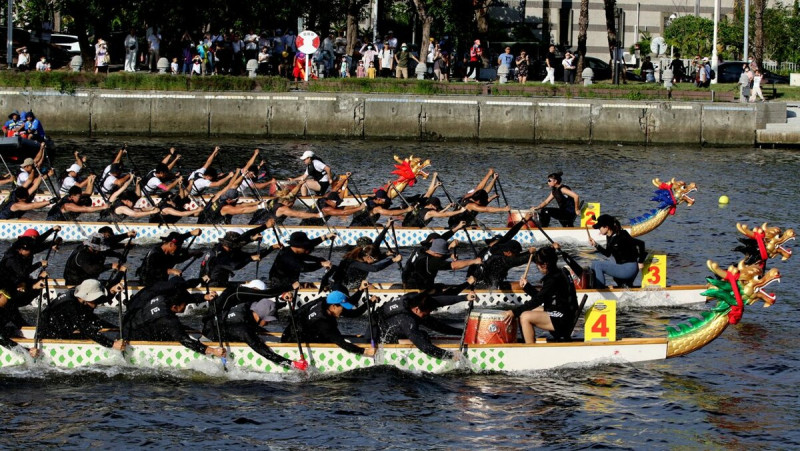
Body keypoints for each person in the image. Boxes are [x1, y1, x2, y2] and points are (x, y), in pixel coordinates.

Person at [124, 278, 225, 358]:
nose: (186, 307)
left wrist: (205, 297)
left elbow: (184, 298)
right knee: (180, 335)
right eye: (184, 305)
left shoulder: (163, 298)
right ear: (174, 307)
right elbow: (185, 341)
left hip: (136, 324)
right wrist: (213, 351)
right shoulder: (168, 319)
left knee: (188, 330)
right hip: (135, 338)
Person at [502, 246, 578, 343]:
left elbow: (538, 300)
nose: (538, 267)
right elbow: (543, 297)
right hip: (563, 312)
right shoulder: (560, 272)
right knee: (525, 311)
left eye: (537, 265)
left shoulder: (553, 279)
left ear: (544, 265)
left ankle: (530, 350)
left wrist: (514, 312)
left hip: (563, 318)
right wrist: (527, 287)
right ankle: (527, 341)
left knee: (525, 316)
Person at [281, 284, 376, 357]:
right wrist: (365, 351)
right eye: (343, 307)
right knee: (336, 339)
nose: (344, 310)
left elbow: (353, 312)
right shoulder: (324, 323)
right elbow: (341, 343)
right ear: (334, 307)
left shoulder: (325, 301)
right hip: (293, 341)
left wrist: (361, 290)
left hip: (294, 331)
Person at [379, 289, 472, 360]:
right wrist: (450, 356)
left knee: (434, 325)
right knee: (423, 336)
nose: (429, 313)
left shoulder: (413, 299)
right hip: (383, 337)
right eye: (427, 312)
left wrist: (465, 298)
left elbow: (439, 301)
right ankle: (401, 342)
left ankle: (463, 332)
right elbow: (425, 347)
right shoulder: (408, 321)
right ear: (416, 309)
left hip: (397, 323)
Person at [38, 279, 126, 351]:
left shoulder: (77, 294)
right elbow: (87, 329)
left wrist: (112, 291)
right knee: (89, 334)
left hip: (65, 327)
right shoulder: (70, 306)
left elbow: (92, 319)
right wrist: (112, 344)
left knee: (95, 323)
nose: (97, 304)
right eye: (96, 301)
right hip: (48, 337)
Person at [203, 227, 280, 286]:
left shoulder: (226, 248)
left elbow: (255, 256)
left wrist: (272, 248)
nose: (241, 245)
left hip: (220, 283)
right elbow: (234, 266)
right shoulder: (220, 254)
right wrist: (250, 258)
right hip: (211, 286)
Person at [588, 214, 647, 288]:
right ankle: (594, 287)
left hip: (629, 268)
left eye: (600, 227)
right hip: (621, 266)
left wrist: (641, 261)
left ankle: (600, 289)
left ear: (606, 227)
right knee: (594, 264)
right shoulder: (609, 236)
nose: (599, 229)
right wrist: (595, 244)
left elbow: (641, 243)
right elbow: (608, 253)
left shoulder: (622, 235)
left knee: (599, 265)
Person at [402, 238, 482, 289]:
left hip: (407, 281)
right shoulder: (432, 262)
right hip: (418, 290)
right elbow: (454, 265)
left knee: (441, 285)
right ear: (437, 253)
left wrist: (450, 254)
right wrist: (474, 261)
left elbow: (436, 255)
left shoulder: (421, 250)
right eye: (443, 254)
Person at [267, 231, 334, 290]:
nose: (307, 249)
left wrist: (325, 237)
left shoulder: (292, 249)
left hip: (291, 283)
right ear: (300, 246)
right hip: (280, 287)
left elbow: (311, 244)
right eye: (305, 247)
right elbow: (305, 267)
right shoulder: (288, 257)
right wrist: (321, 264)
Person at [136, 229, 202, 287]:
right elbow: (151, 271)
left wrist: (192, 254)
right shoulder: (155, 254)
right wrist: (171, 271)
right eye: (178, 247)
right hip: (148, 284)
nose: (179, 249)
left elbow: (177, 259)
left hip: (161, 283)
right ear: (170, 244)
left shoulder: (167, 251)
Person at [329, 244, 402, 294]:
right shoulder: (355, 262)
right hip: (341, 288)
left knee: (371, 287)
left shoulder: (363, 259)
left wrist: (387, 254)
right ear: (368, 257)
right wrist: (393, 260)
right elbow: (375, 268)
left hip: (353, 284)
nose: (375, 261)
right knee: (372, 288)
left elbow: (376, 259)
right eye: (374, 259)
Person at [0, 283, 42, 358]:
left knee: (10, 331)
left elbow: (21, 323)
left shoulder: (9, 306)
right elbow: (1, 339)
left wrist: (35, 288)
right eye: (8, 296)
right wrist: (27, 351)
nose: (10, 299)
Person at [349, 188, 413, 227]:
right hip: (358, 227)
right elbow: (391, 213)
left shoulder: (372, 200)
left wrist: (389, 188)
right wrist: (406, 210)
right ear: (379, 199)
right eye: (384, 200)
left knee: (380, 225)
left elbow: (387, 201)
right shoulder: (376, 208)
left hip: (362, 224)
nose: (385, 202)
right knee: (381, 227)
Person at [299, 191, 365, 226]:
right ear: (330, 201)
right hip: (307, 227)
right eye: (337, 202)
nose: (338, 204)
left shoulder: (324, 199)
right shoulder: (326, 209)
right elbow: (343, 213)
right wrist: (359, 208)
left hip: (314, 225)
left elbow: (341, 208)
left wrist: (355, 206)